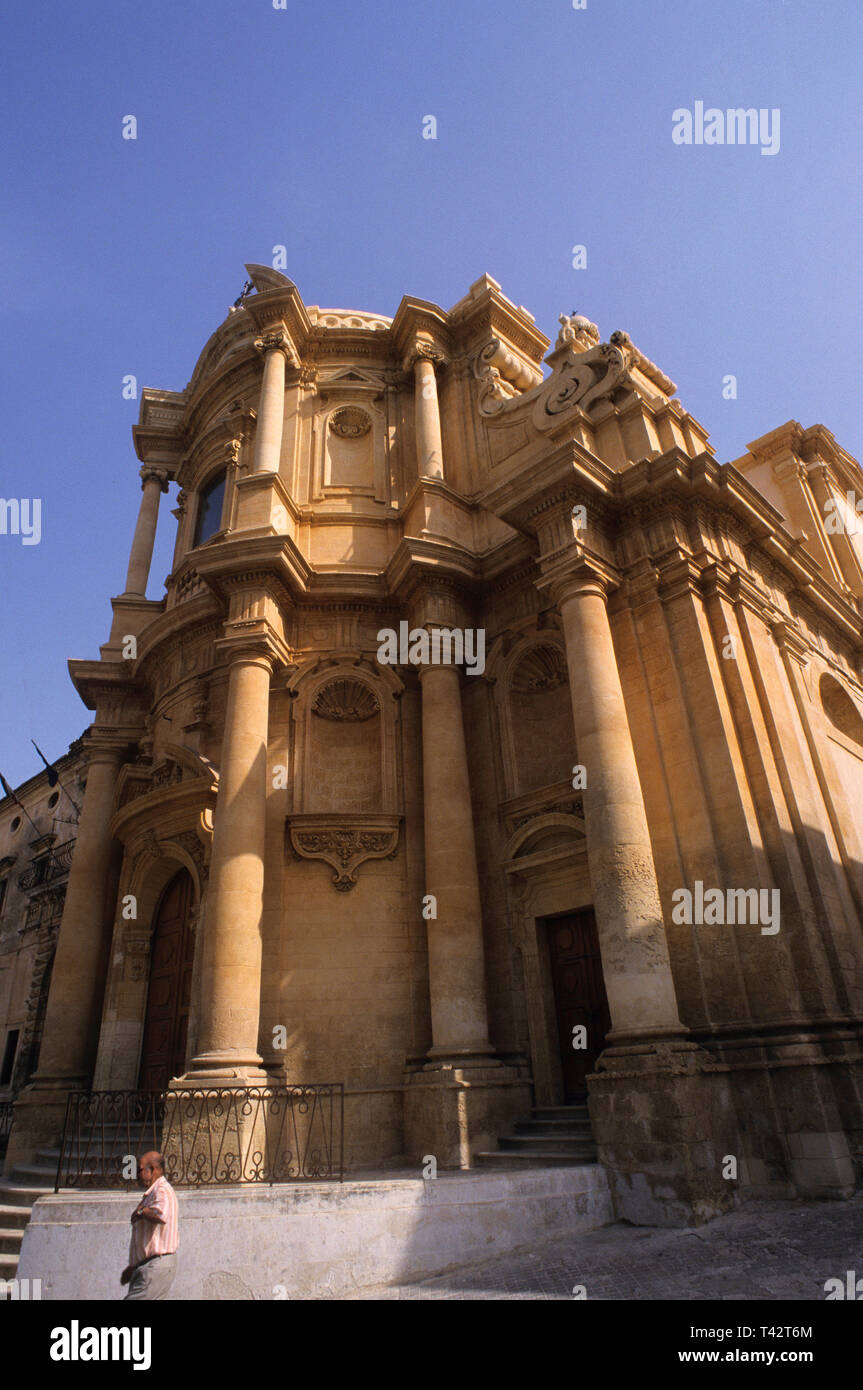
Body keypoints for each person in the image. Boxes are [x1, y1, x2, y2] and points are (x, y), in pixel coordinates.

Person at [120, 1151, 179, 1300]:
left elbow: (161, 1215)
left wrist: (141, 1211)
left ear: (152, 1169)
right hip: (149, 1266)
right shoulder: (154, 1192)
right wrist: (133, 1266)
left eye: (140, 1170)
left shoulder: (162, 1190)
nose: (137, 1174)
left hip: (155, 1267)